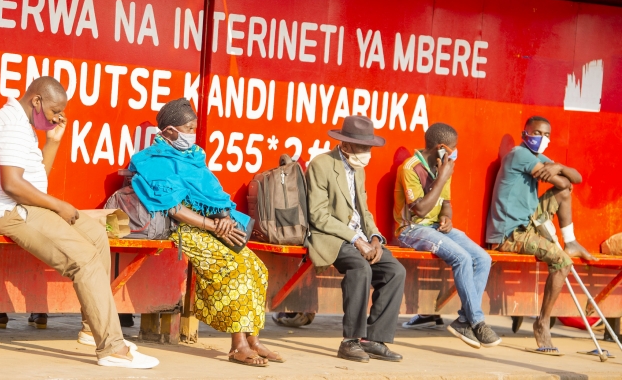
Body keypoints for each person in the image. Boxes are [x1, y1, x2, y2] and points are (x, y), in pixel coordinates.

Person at [0, 76, 158, 369]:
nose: (58, 117)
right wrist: (61, 206)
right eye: (54, 110)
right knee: (83, 260)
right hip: (7, 212)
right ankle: (111, 347)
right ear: (36, 100)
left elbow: (35, 180)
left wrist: (53, 142)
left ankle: (91, 328)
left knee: (98, 237)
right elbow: (11, 185)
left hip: (26, 205)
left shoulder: (26, 125)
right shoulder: (10, 124)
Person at [129, 98, 282, 367]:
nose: (191, 134)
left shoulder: (193, 157)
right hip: (180, 229)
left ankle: (253, 339)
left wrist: (223, 220)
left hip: (211, 226)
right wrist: (213, 226)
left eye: (193, 128)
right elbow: (173, 208)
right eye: (187, 128)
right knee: (235, 268)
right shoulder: (152, 160)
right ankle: (238, 345)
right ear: (169, 132)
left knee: (256, 267)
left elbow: (213, 195)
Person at [486, 116, 597, 355]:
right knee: (562, 262)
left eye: (546, 135)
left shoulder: (537, 158)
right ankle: (542, 322)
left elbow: (574, 178)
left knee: (564, 192)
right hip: (510, 233)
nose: (542, 138)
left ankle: (571, 241)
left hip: (527, 223)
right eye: (537, 133)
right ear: (524, 133)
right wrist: (558, 170)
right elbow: (561, 180)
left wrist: (557, 166)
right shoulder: (520, 154)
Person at [305, 116, 406, 363]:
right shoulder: (321, 164)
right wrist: (356, 240)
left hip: (358, 237)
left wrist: (374, 237)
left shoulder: (358, 169)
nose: (367, 153)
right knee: (360, 268)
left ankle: (374, 340)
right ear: (345, 145)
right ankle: (350, 341)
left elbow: (364, 210)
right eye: (362, 147)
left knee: (395, 271)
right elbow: (318, 216)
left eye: (369, 147)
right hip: (330, 236)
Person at [394, 123, 500, 348]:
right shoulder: (410, 168)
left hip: (436, 228)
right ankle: (477, 321)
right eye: (453, 147)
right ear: (441, 146)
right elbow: (420, 210)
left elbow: (447, 204)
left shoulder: (445, 164)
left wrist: (447, 217)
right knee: (461, 258)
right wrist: (442, 177)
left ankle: (464, 320)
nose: (455, 151)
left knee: (483, 258)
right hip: (411, 229)